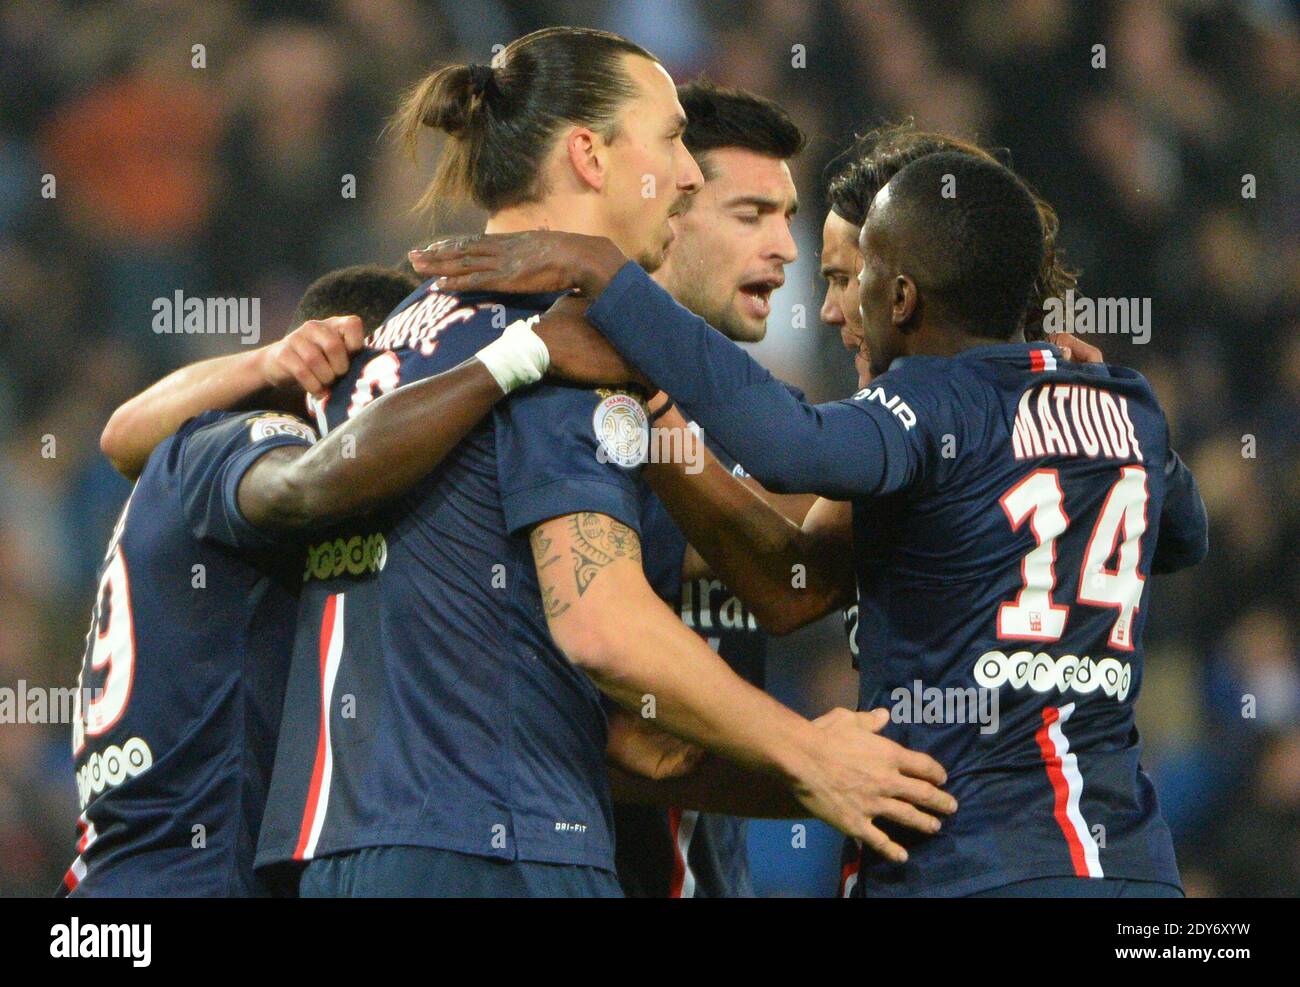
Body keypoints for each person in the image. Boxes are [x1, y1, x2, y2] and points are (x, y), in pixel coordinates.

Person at [253, 27, 954, 899]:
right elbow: (602, 621)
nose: (689, 173)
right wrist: (812, 754)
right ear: (589, 154)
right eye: (668, 140)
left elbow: (781, 578)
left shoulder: (410, 329)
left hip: (352, 842)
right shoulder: (558, 341)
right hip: (503, 842)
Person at [414, 150, 1210, 897]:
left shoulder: (929, 406)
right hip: (1132, 861)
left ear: (900, 296)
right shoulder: (1124, 400)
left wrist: (614, 286)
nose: (833, 309)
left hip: (971, 858)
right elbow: (1185, 534)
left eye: (851, 278)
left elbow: (790, 445)